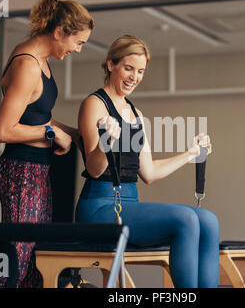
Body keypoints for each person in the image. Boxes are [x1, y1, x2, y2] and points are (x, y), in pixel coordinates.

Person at [75, 35, 219, 288]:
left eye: (140, 71)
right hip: (100, 207)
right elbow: (94, 169)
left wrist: (190, 153)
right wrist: (106, 140)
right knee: (184, 218)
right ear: (111, 65)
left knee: (208, 219)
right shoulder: (95, 104)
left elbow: (149, 172)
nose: (134, 77)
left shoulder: (135, 113)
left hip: (129, 204)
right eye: (128, 68)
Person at [0, 0, 94, 288]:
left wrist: (73, 134)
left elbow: (37, 117)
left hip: (36, 170)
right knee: (16, 262)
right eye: (79, 41)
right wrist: (51, 134)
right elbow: (3, 130)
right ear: (60, 32)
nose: (78, 49)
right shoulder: (27, 64)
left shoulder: (41, 61)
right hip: (20, 171)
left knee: (35, 263)